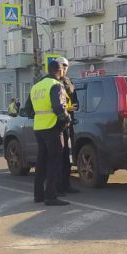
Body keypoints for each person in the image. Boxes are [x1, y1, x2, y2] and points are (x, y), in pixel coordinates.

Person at [30, 60, 70, 206]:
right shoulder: (55, 85)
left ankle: (38, 195)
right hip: (52, 127)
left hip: (38, 127)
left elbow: (29, 109)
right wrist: (67, 119)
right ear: (59, 71)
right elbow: (58, 107)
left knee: (41, 162)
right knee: (54, 162)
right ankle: (51, 196)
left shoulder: (36, 86)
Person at [56, 57, 80, 195]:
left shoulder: (68, 81)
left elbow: (74, 100)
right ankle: (57, 186)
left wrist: (73, 108)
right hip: (56, 124)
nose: (64, 68)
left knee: (67, 156)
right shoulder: (54, 82)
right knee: (57, 157)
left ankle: (66, 184)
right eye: (62, 66)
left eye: (66, 66)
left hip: (68, 123)